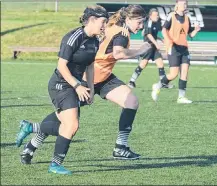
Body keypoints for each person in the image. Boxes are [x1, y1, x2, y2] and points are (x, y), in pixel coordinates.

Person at [16, 5, 150, 168]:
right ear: (128, 19)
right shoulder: (121, 33)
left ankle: (120, 147)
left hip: (102, 76)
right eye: (139, 22)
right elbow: (118, 53)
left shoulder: (113, 27)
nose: (141, 26)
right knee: (66, 122)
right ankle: (32, 133)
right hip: (90, 78)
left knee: (131, 102)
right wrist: (141, 50)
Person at [15, 5, 109, 175]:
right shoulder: (73, 37)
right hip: (61, 84)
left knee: (63, 123)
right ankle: (55, 165)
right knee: (71, 125)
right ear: (92, 20)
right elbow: (61, 65)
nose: (105, 26)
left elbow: (89, 65)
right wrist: (77, 85)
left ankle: (30, 136)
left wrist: (91, 88)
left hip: (76, 85)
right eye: (103, 22)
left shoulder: (95, 40)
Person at [151, 0, 200, 104]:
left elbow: (190, 34)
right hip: (174, 48)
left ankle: (181, 97)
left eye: (185, 3)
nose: (184, 5)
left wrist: (196, 30)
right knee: (173, 74)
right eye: (182, 3)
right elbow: (164, 29)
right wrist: (168, 40)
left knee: (185, 72)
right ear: (177, 4)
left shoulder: (187, 18)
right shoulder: (171, 16)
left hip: (184, 49)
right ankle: (158, 85)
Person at [128, 8, 173, 89]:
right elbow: (148, 35)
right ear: (150, 16)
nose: (157, 17)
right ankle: (131, 81)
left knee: (160, 63)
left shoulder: (155, 23)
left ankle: (163, 83)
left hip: (154, 47)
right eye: (155, 15)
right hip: (148, 46)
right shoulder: (149, 22)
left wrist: (160, 39)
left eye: (158, 15)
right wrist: (156, 43)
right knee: (143, 64)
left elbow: (153, 35)